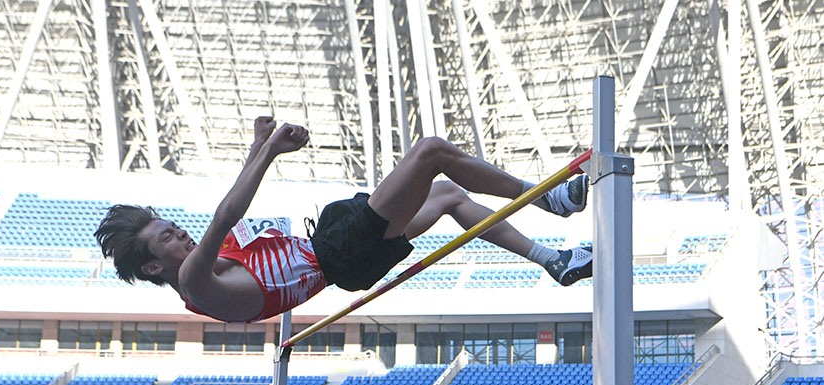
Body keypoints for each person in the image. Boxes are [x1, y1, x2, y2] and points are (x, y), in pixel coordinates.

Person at [95, 117, 593, 324]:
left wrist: (256, 142)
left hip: (337, 254)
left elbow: (232, 221)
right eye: (166, 235)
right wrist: (268, 152)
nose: (179, 231)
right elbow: (229, 213)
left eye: (171, 225)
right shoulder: (194, 281)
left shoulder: (209, 267)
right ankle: (548, 198)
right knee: (430, 153)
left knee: (447, 196)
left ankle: (553, 260)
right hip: (338, 253)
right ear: (155, 266)